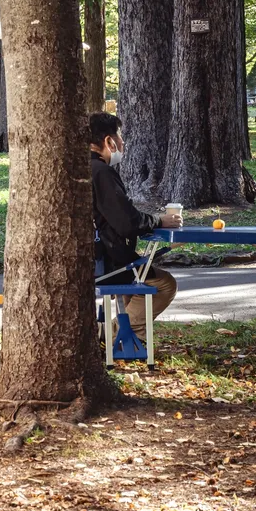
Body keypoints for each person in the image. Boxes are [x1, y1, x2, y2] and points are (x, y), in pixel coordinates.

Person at [90, 112, 180, 340]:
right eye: (120, 137)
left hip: (94, 258)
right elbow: (127, 223)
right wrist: (160, 221)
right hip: (105, 264)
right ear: (109, 141)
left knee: (138, 279)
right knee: (164, 284)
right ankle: (111, 337)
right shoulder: (101, 173)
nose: (123, 143)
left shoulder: (81, 169)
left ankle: (123, 338)